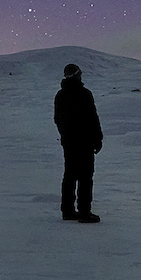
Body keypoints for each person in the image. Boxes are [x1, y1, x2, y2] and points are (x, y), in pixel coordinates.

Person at [53, 62, 102, 223]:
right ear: (77, 75)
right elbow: (92, 118)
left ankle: (67, 211)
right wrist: (98, 138)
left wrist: (65, 135)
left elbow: (57, 119)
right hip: (85, 141)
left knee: (70, 175)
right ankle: (84, 212)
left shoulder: (60, 95)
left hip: (68, 142)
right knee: (86, 176)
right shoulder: (84, 93)